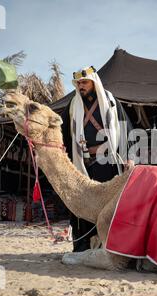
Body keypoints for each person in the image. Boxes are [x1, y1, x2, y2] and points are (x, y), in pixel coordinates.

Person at [60, 66, 134, 252]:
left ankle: (109, 245)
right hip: (82, 162)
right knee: (83, 203)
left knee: (107, 205)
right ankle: (83, 246)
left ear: (94, 82)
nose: (81, 86)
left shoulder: (110, 102)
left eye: (84, 82)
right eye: (78, 83)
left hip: (107, 163)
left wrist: (129, 157)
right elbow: (64, 135)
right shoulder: (72, 105)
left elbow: (126, 129)